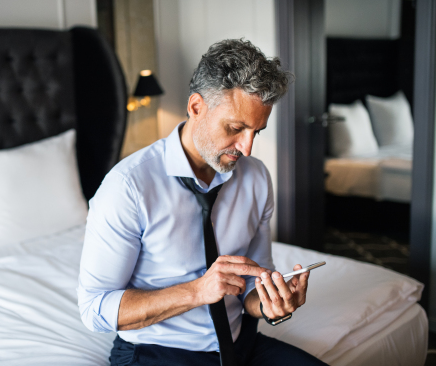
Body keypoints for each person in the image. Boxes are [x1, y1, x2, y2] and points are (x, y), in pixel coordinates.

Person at [77, 39, 327, 366]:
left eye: (257, 131)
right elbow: (94, 310)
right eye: (236, 128)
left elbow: (252, 286)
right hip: (158, 353)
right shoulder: (127, 187)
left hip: (242, 347)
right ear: (196, 107)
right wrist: (197, 291)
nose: (247, 148)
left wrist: (271, 305)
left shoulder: (256, 178)